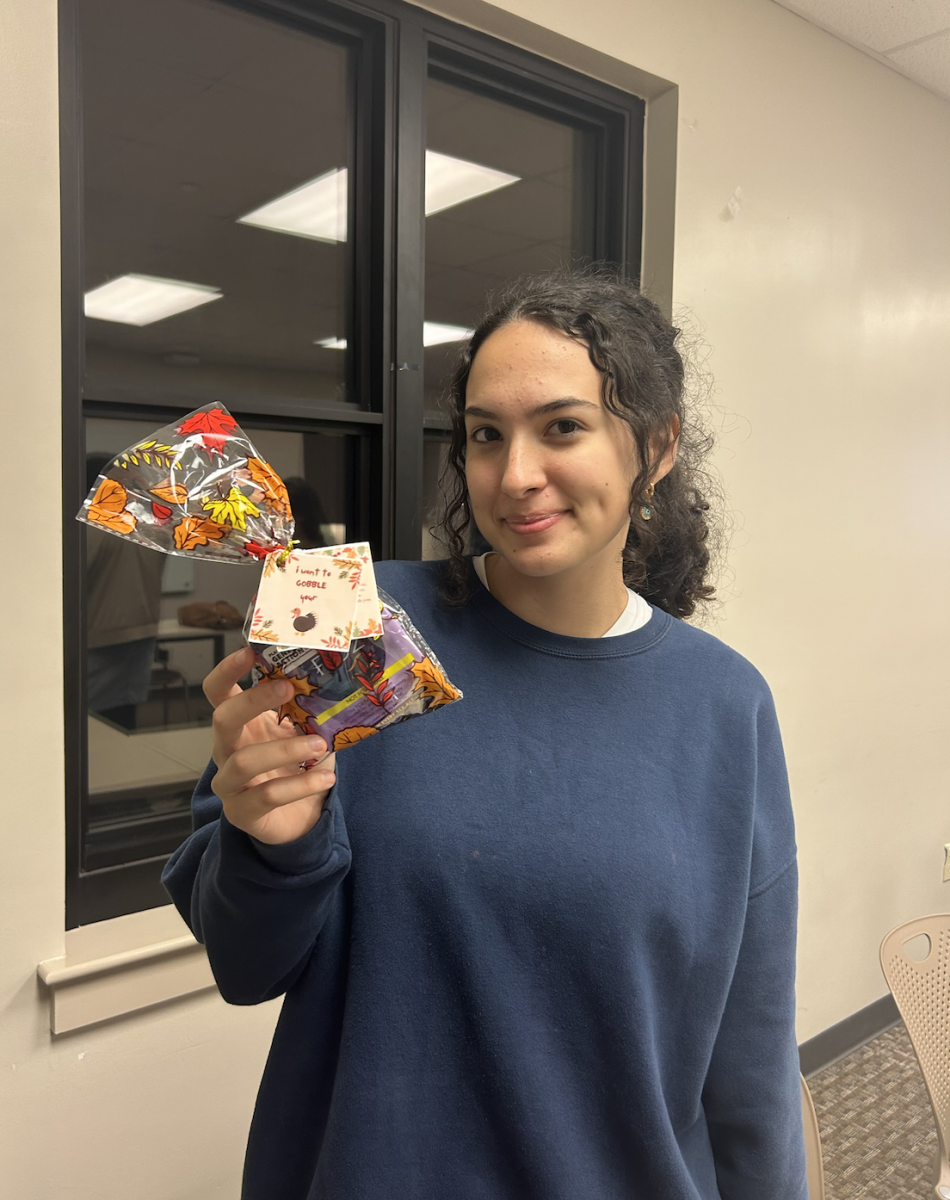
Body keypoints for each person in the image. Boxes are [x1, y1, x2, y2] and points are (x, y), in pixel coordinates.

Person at [163, 269, 807, 1200]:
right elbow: (245, 964)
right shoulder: (352, 632)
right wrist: (272, 841)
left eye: (563, 427)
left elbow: (748, 1048)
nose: (515, 477)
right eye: (484, 436)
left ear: (656, 449)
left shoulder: (725, 706)